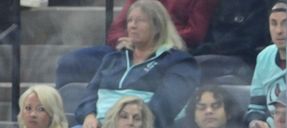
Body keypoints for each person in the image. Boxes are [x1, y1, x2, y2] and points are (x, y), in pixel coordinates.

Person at [73, 0, 200, 128]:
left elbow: (165, 107)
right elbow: (89, 95)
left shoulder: (179, 62)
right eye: (130, 21)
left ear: (158, 27)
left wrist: (121, 126)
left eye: (140, 21)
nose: (132, 25)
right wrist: (89, 116)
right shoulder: (113, 59)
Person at [55, 0, 218, 88]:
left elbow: (195, 33)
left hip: (166, 52)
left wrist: (154, 40)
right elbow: (115, 31)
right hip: (127, 49)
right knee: (70, 62)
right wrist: (133, 41)